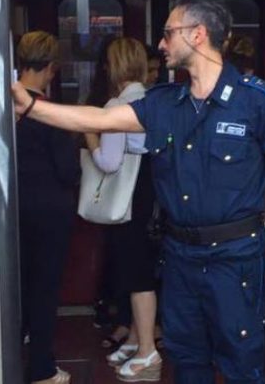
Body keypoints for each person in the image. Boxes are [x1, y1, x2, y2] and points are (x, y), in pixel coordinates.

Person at [12, 0, 265, 384]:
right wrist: (31, 107)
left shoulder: (258, 101)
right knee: (187, 359)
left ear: (198, 34)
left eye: (169, 33)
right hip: (179, 254)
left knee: (240, 361)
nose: (162, 44)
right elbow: (97, 118)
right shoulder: (164, 103)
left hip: (235, 256)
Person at [83, 37, 162, 381]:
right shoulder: (157, 101)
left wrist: (90, 136)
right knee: (142, 268)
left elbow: (110, 162)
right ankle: (135, 339)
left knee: (136, 273)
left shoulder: (117, 104)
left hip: (129, 198)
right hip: (152, 195)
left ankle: (147, 350)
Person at [15, 30, 80, 384]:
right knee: (44, 291)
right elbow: (68, 170)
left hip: (14, 210)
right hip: (50, 212)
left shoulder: (1, 107)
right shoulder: (48, 114)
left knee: (20, 286)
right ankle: (42, 369)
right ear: (51, 68)